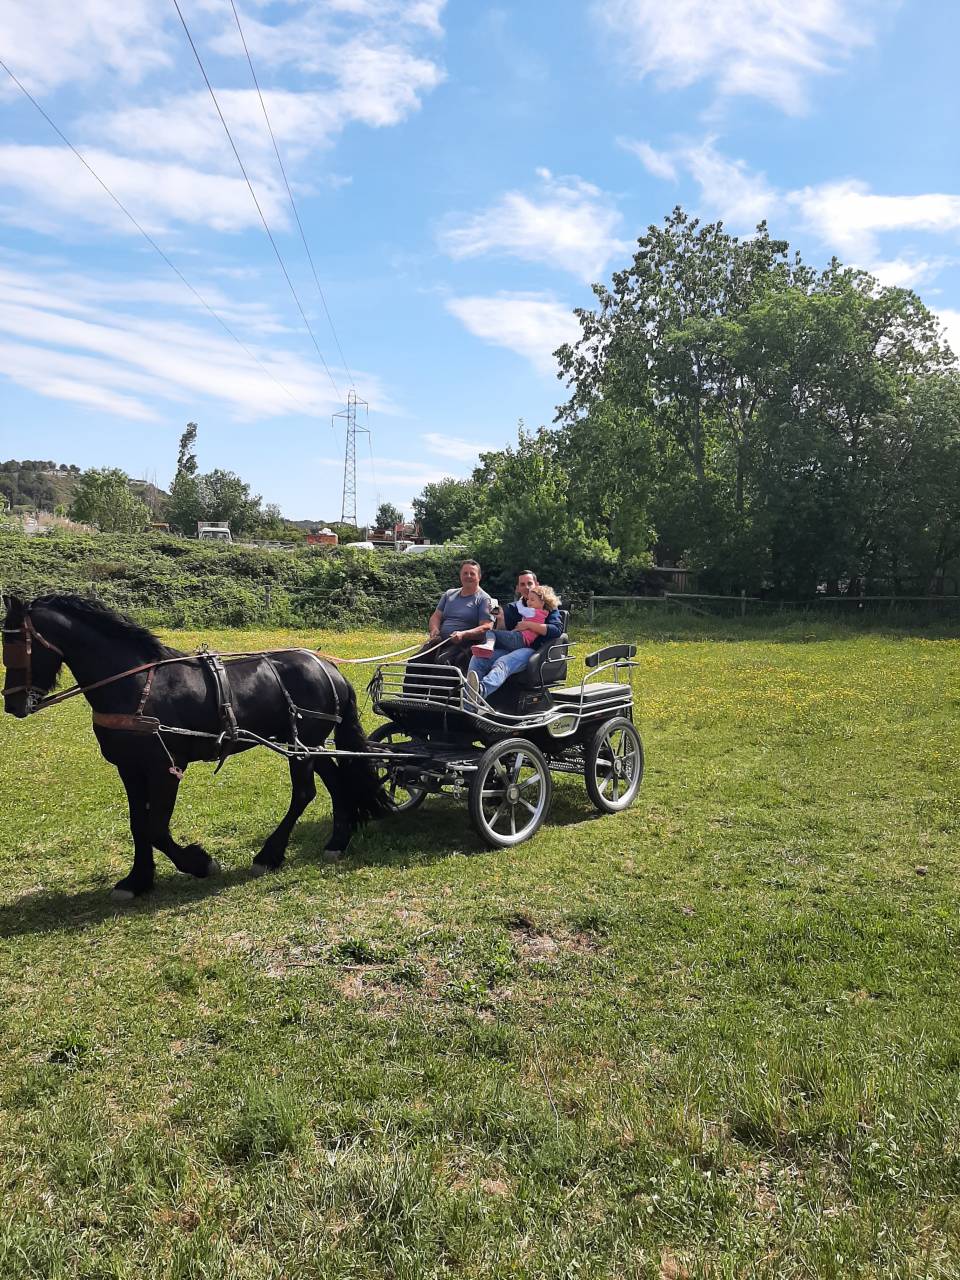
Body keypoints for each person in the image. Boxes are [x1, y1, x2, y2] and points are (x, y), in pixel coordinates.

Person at [466, 574, 562, 702]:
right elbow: (505, 633)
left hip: (534, 650)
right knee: (478, 657)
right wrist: (500, 619)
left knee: (503, 662)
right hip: (513, 645)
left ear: (536, 585)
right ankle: (469, 700)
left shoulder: (549, 607)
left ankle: (480, 691)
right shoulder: (512, 608)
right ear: (517, 588)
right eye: (522, 584)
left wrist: (528, 625)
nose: (526, 587)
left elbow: (556, 630)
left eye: (529, 583)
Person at [412, 559, 494, 675]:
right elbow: (436, 616)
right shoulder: (449, 594)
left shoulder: (484, 599)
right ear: (460, 575)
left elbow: (486, 627)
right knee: (416, 661)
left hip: (465, 644)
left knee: (442, 664)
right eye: (465, 573)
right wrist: (434, 629)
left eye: (472, 573)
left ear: (479, 577)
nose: (468, 576)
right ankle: (413, 693)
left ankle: (438, 693)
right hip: (440, 641)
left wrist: (463, 634)